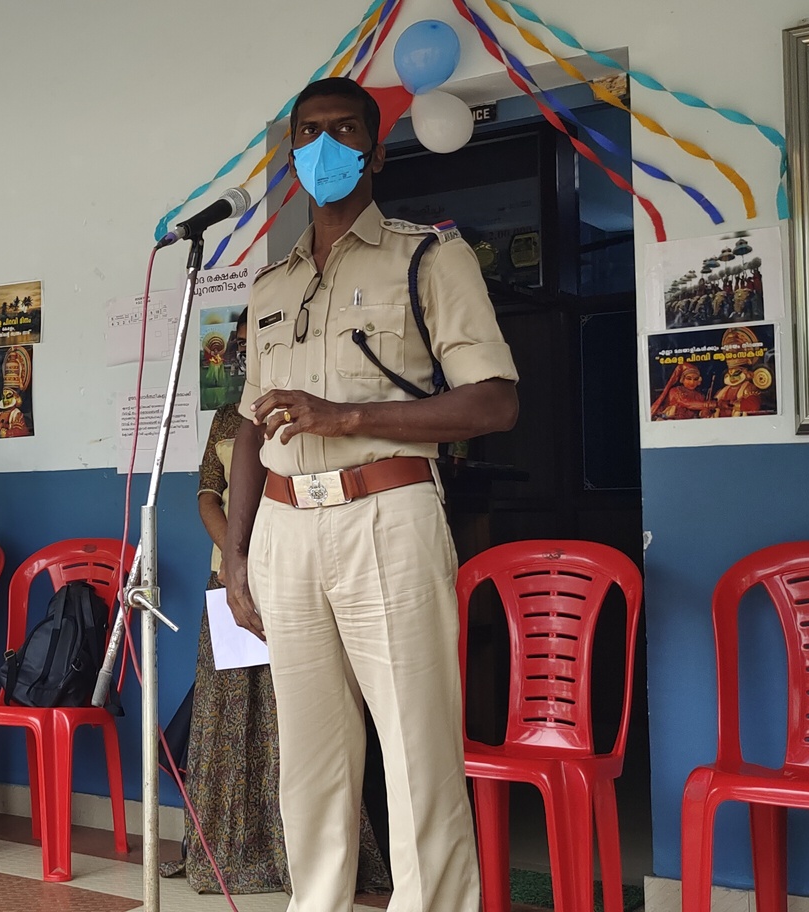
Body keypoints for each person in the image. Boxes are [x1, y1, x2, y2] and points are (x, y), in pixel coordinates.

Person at [223, 77, 518, 912]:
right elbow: (248, 428)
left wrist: (347, 415)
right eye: (308, 133)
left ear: (377, 151)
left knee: (416, 743)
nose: (325, 146)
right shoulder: (270, 285)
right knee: (309, 753)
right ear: (291, 155)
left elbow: (495, 403)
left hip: (386, 514)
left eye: (344, 130)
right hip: (284, 528)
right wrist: (236, 557)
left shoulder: (428, 255)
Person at [162, 398, 394, 894]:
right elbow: (208, 498)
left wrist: (264, 558)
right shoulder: (227, 419)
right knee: (225, 717)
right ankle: (228, 851)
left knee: (301, 718)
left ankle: (310, 859)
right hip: (231, 579)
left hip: (300, 573)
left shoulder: (317, 408)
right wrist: (237, 560)